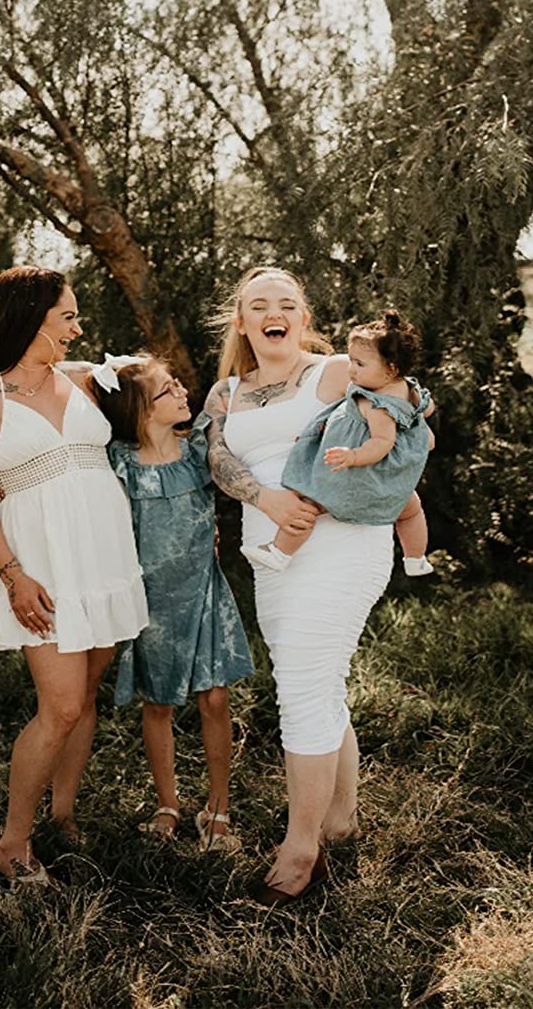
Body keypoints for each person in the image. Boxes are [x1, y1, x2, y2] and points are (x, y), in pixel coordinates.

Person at [0, 267, 148, 887]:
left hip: (104, 557)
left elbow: (160, 393)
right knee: (59, 706)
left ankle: (62, 815)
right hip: (41, 567)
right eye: (68, 317)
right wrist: (12, 576)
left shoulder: (83, 379)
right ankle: (13, 842)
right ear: (29, 319)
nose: (78, 328)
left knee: (85, 694)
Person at [202, 267, 396, 905]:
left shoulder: (335, 372)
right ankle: (339, 820)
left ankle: (300, 847)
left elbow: (404, 415)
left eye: (286, 304)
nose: (273, 314)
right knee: (318, 679)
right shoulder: (226, 393)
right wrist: (268, 499)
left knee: (301, 689)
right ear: (242, 322)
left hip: (341, 542)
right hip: (272, 553)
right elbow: (218, 461)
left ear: (303, 319)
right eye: (259, 305)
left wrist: (347, 484)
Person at [95, 355, 254, 852]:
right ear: (141, 410)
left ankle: (219, 808)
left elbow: (242, 400)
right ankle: (168, 804)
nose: (183, 391)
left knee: (216, 699)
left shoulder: (199, 449)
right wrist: (113, 371)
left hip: (203, 590)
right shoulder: (117, 462)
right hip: (151, 603)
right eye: (168, 389)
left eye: (178, 384)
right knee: (159, 702)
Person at [244, 312, 436, 577]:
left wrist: (353, 456)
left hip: (362, 473)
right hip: (390, 479)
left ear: (391, 369)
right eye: (351, 360)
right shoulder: (408, 389)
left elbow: (382, 442)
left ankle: (280, 552)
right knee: (411, 510)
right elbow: (427, 408)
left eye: (360, 364)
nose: (351, 369)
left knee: (310, 502)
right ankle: (415, 558)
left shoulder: (377, 404)